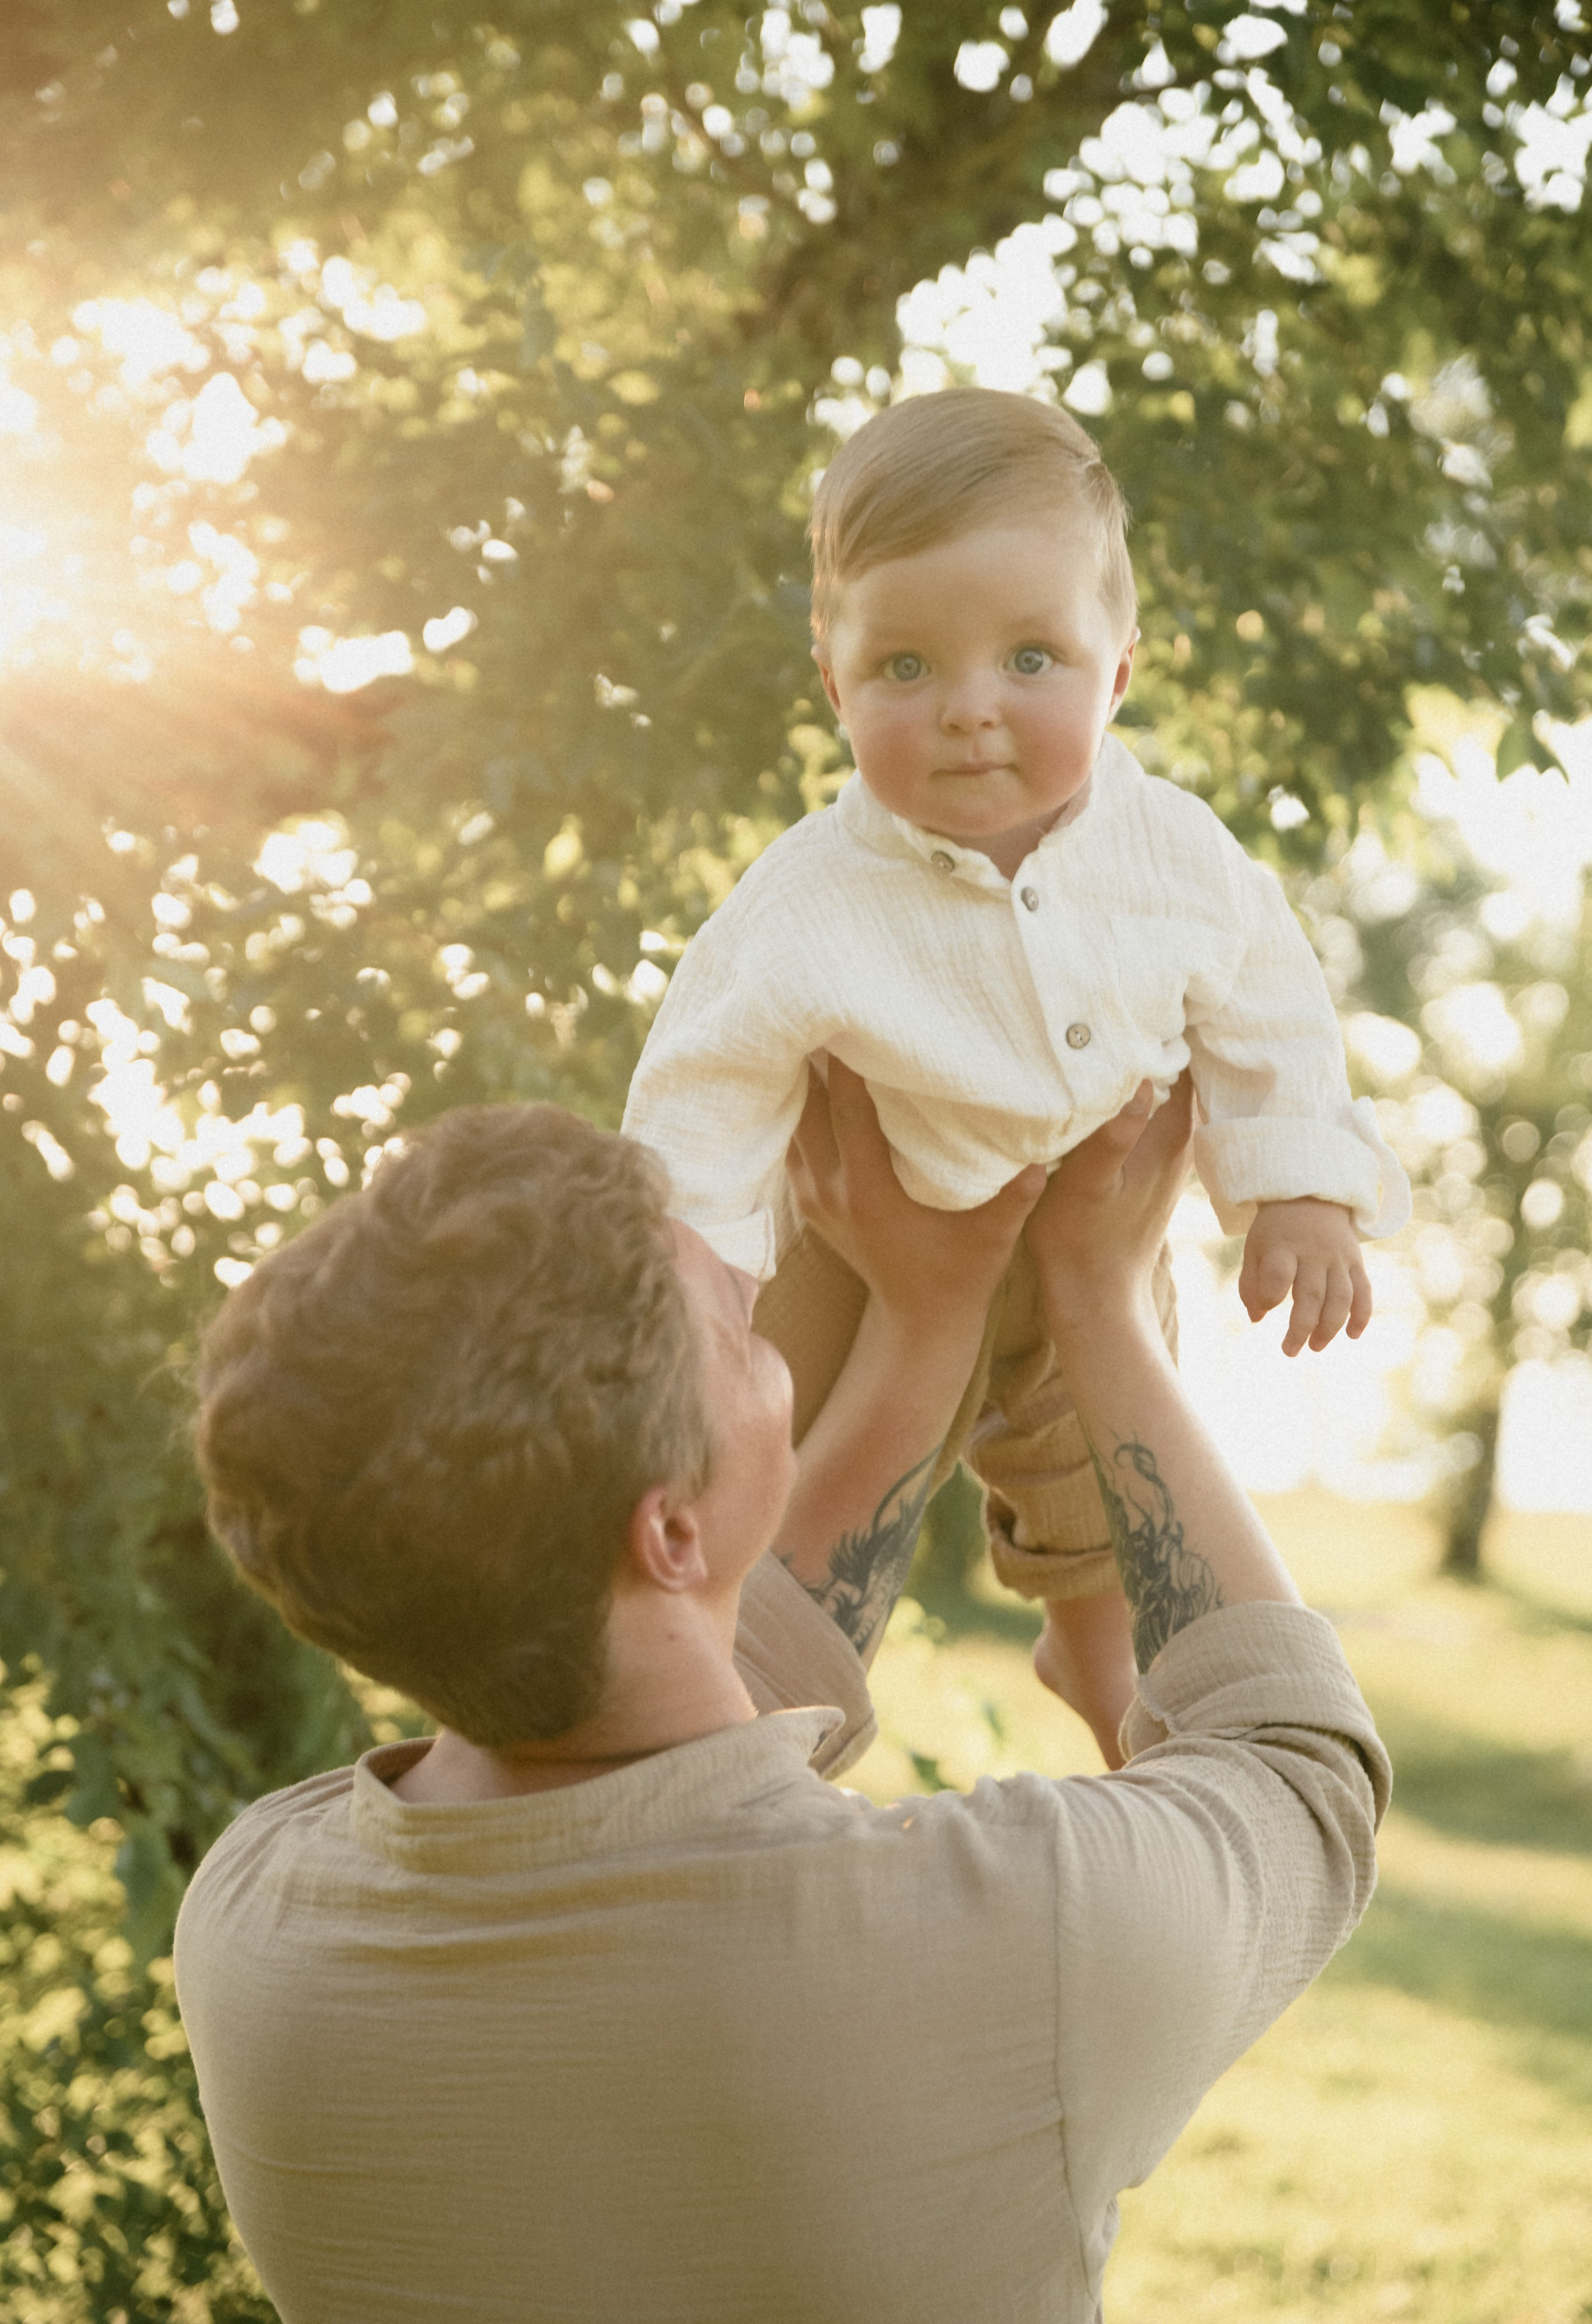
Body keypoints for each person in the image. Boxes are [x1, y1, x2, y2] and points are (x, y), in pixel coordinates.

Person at [174, 1063, 1388, 2324]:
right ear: (670, 1533)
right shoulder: (1022, 1942)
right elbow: (1298, 1765)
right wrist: (1101, 1294)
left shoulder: (259, 1924)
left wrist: (929, 1326)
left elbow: (674, 1722)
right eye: (739, 1333)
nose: (767, 1330)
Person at [622, 386, 1410, 1757]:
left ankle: (1094, 1661)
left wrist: (1294, 1190)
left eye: (1030, 659)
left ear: (1117, 670)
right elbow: (712, 1077)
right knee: (734, 1479)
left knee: (1095, 1480)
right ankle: (711, 1714)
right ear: (833, 677)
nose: (970, 713)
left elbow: (1266, 1006)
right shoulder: (810, 895)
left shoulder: (1172, 853)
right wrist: (698, 1274)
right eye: (907, 669)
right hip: (859, 1252)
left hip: (1084, 1238)